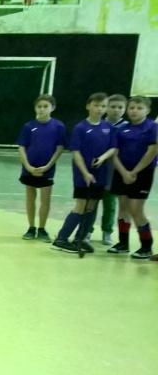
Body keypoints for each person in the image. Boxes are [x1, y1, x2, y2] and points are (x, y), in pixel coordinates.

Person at [50, 93, 116, 254]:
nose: (100, 109)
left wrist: (103, 158)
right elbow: (76, 152)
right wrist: (85, 173)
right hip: (82, 174)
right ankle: (61, 239)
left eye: (103, 106)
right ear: (88, 106)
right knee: (80, 205)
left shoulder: (108, 128)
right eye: (96, 105)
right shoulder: (80, 128)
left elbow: (113, 148)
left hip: (100, 172)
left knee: (92, 205)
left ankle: (80, 239)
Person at [108, 96, 158, 258]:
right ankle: (123, 243)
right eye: (132, 108)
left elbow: (152, 151)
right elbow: (114, 153)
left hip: (142, 173)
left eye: (139, 108)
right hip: (122, 172)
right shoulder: (121, 129)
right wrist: (124, 172)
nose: (134, 111)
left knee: (136, 208)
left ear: (147, 110)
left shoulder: (152, 127)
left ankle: (146, 246)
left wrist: (134, 172)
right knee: (123, 207)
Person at [16, 94, 66, 242]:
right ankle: (31, 227)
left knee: (45, 199)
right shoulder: (29, 126)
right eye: (39, 106)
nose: (42, 109)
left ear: (53, 108)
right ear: (35, 108)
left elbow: (60, 148)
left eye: (45, 106)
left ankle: (42, 229)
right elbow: (21, 147)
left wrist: (48, 166)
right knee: (30, 197)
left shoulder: (58, 126)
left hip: (47, 169)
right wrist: (28, 166)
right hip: (29, 168)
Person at [99, 94, 128, 245]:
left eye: (120, 107)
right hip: (97, 172)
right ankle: (86, 231)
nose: (116, 110)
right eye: (112, 107)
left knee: (110, 205)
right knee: (91, 204)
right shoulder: (98, 124)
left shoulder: (128, 127)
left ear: (125, 109)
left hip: (115, 174)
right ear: (106, 108)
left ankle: (107, 232)